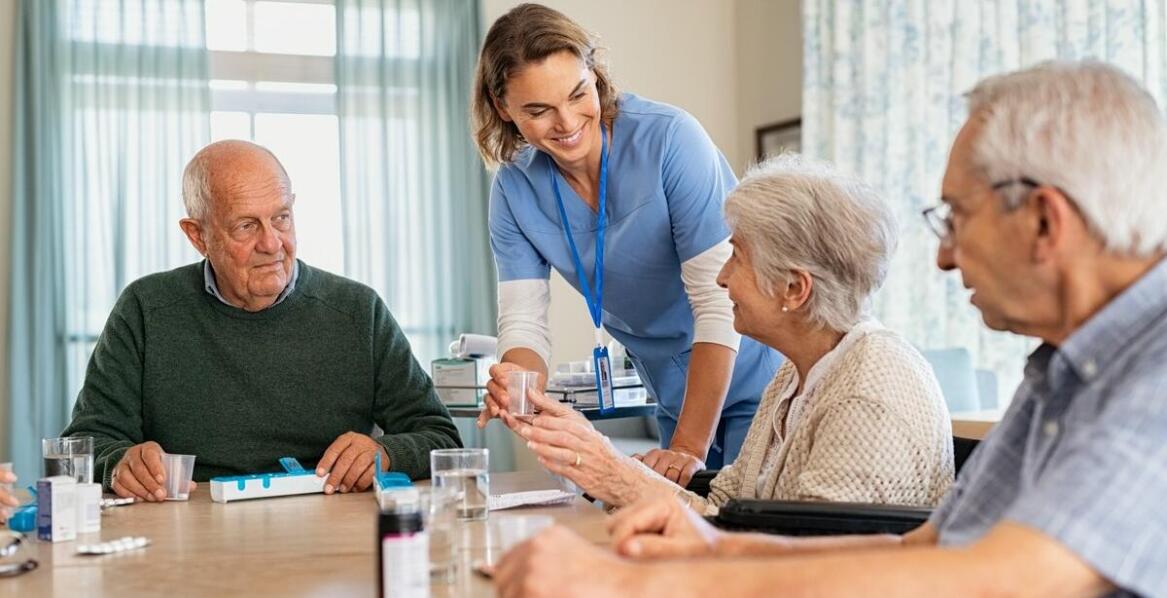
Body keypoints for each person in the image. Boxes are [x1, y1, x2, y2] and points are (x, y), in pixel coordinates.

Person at [493, 60, 1167, 597]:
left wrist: (639, 584)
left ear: (1045, 222)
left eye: (954, 218)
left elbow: (1006, 580)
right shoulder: (1064, 368)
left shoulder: (1153, 371)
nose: (941, 255)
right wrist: (716, 549)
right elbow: (927, 549)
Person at [500, 155, 952, 511]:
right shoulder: (795, 378)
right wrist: (610, 469)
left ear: (793, 288)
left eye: (736, 258)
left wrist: (618, 475)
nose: (721, 279)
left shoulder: (866, 394)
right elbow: (725, 507)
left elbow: (805, 565)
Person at [473, 3, 781, 481]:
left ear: (595, 75)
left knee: (743, 533)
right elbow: (523, 326)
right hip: (675, 397)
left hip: (759, 378)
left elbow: (718, 305)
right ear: (503, 108)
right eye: (538, 110)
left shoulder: (671, 141)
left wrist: (686, 450)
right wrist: (518, 385)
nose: (567, 122)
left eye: (578, 93)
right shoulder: (514, 190)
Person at [61, 140, 462, 502]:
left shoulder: (358, 310)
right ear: (197, 236)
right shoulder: (146, 308)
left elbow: (442, 439)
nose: (272, 244)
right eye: (246, 225)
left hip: (326, 528)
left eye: (281, 218)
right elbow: (83, 444)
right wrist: (118, 463)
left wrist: (388, 453)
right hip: (192, 529)